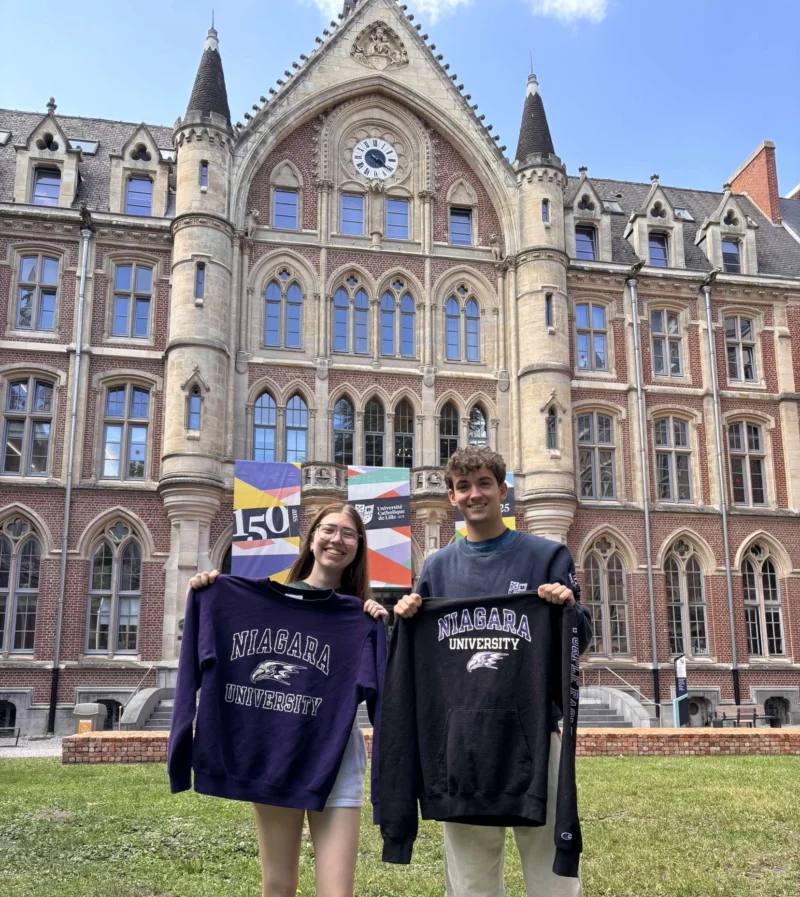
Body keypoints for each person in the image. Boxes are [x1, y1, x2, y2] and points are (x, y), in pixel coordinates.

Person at [392, 446, 591, 897]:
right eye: (464, 486)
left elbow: (580, 639)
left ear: (504, 491)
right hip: (462, 743)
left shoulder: (547, 555)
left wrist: (568, 608)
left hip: (537, 736)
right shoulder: (437, 567)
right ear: (451, 497)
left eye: (484, 484)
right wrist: (405, 616)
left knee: (554, 881)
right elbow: (418, 651)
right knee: (471, 882)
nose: (474, 494)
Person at [187, 503, 388, 897]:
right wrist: (209, 594)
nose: (337, 540)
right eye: (329, 530)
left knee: (337, 892)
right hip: (277, 750)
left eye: (349, 534)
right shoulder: (260, 603)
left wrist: (381, 628)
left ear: (359, 547)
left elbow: (384, 694)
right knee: (279, 885)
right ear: (311, 538)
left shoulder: (362, 617)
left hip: (336, 758)